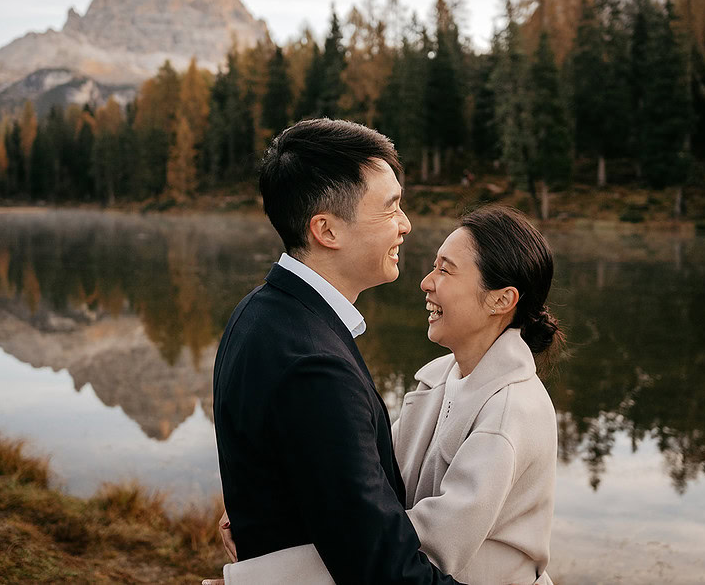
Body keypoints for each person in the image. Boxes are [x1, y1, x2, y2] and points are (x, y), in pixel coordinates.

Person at [213, 118, 461, 584]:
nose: (406, 225)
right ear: (327, 230)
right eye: (390, 209)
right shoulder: (314, 367)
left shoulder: (260, 311)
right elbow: (383, 571)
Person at [392, 206, 560, 585]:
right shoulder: (439, 380)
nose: (426, 282)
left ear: (501, 300)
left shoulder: (509, 411)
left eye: (445, 270)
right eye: (434, 266)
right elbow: (372, 477)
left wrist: (280, 553)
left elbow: (432, 544)